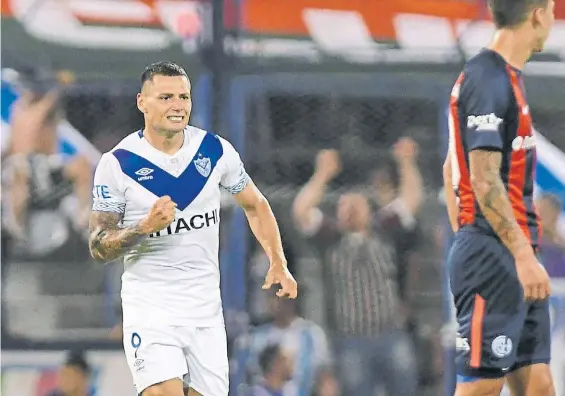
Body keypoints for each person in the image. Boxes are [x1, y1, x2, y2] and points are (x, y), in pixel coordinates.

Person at [88, 61, 297, 396]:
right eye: (166, 97)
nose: (178, 106)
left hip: (205, 313)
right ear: (142, 102)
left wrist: (278, 261)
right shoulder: (118, 164)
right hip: (151, 310)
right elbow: (98, 245)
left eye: (184, 97)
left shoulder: (214, 151)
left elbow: (255, 204)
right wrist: (143, 227)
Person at [443, 0, 556, 394]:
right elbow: (484, 181)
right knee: (481, 388)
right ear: (538, 14)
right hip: (496, 256)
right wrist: (512, 254)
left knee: (539, 384)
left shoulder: (506, 77)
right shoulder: (486, 79)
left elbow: (449, 167)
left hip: (512, 252)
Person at [292, 149, 418, 395]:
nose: (350, 209)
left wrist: (406, 162)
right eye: (344, 204)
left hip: (391, 333)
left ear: (369, 210)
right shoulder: (330, 237)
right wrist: (322, 175)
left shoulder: (383, 229)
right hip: (352, 340)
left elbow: (411, 200)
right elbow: (301, 211)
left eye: (356, 204)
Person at [231, 289, 332, 396]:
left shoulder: (312, 335)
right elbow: (244, 379)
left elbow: (325, 379)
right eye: (272, 296)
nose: (275, 302)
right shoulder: (255, 338)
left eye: (280, 297)